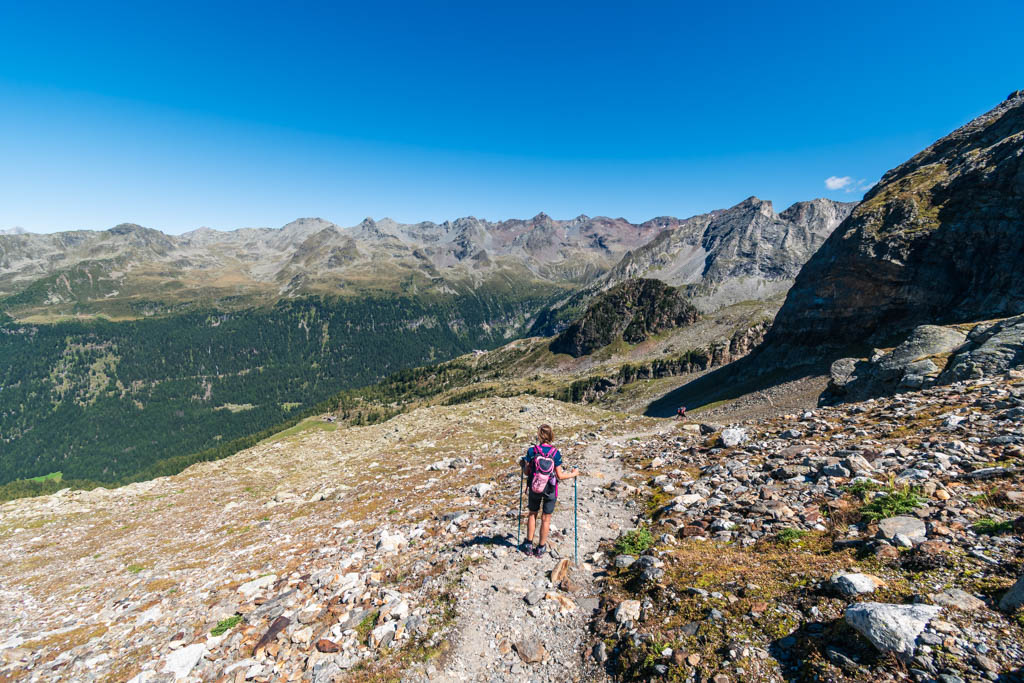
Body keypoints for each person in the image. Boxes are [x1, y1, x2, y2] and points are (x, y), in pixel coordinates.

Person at [519, 424, 579, 557]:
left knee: (532, 514)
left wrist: (523, 465)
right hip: (550, 488)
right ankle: (541, 548)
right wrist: (574, 473)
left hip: (535, 487)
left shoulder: (532, 451)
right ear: (551, 435)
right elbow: (560, 476)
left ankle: (528, 544)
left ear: (539, 435)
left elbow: (527, 472)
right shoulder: (555, 453)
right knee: (546, 518)